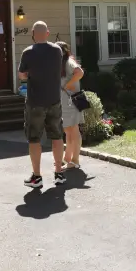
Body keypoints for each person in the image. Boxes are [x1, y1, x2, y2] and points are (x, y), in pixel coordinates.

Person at [18, 21, 65, 188]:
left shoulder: (28, 52)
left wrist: (30, 72)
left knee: (34, 138)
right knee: (57, 135)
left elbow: (22, 75)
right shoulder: (57, 50)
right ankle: (59, 172)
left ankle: (37, 177)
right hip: (54, 99)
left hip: (35, 101)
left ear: (32, 33)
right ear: (47, 33)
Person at [56, 41, 85, 170]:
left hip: (71, 101)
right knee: (68, 131)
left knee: (73, 130)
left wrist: (67, 85)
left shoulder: (68, 61)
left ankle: (75, 160)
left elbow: (79, 72)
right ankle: (68, 159)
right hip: (65, 102)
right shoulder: (61, 64)